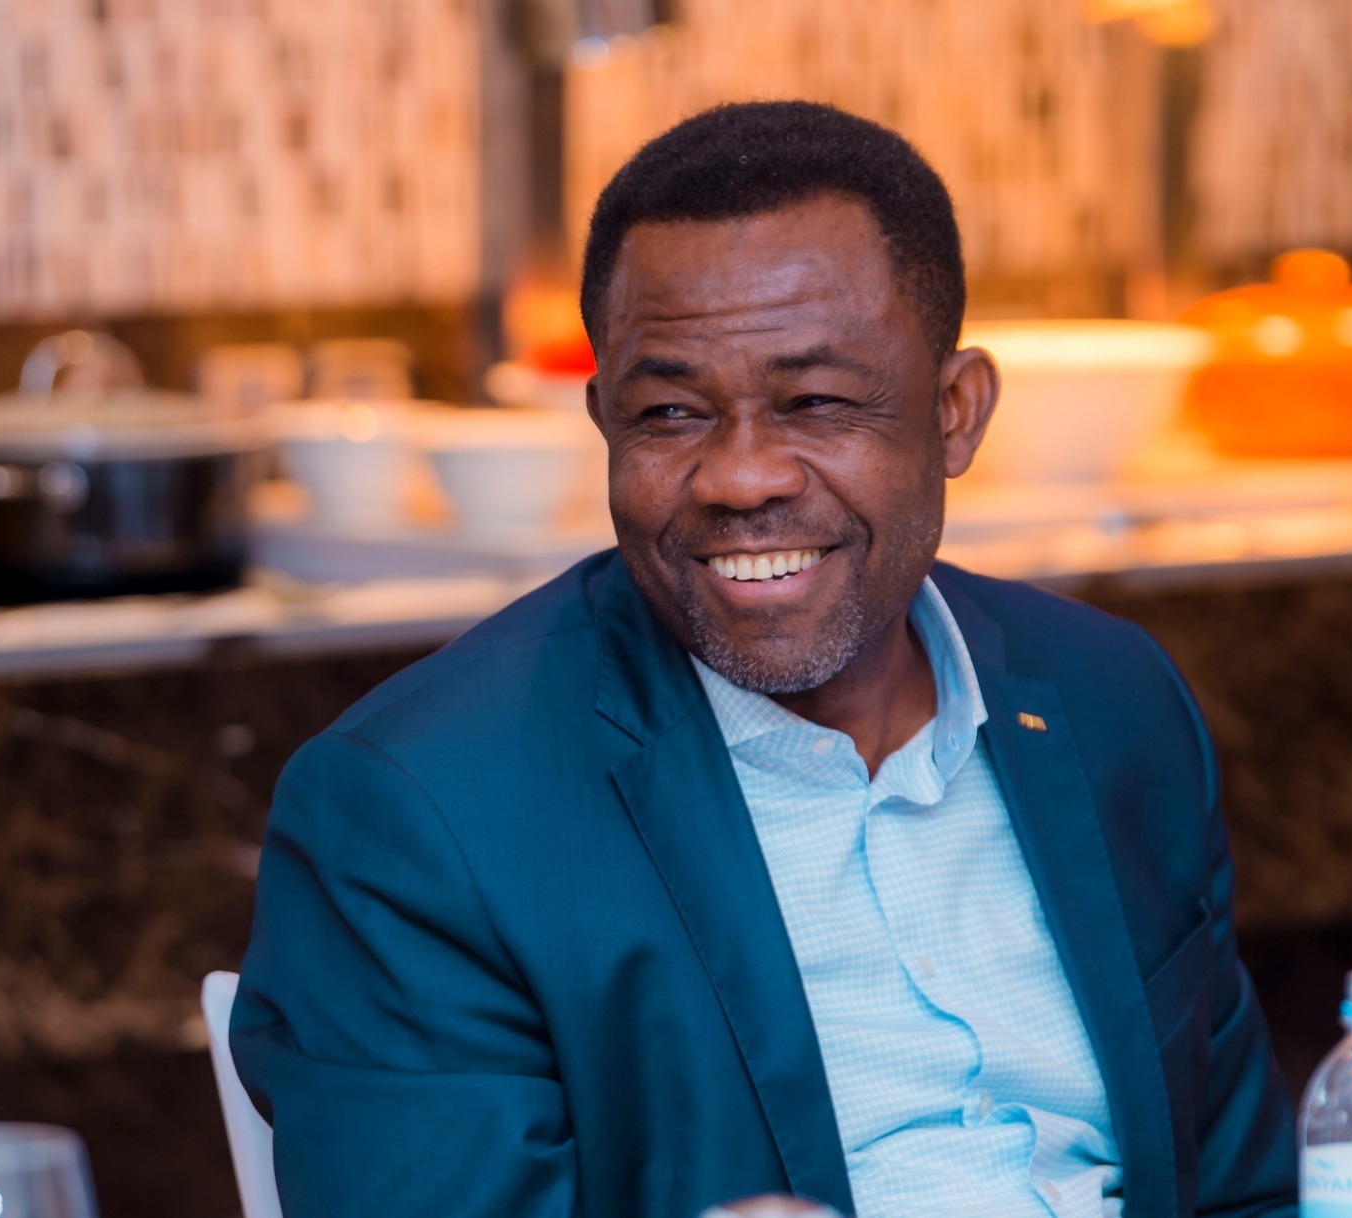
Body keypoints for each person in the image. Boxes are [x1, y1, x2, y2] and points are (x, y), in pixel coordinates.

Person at [231, 101, 1297, 1218]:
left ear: (954, 412)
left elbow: (1244, 1193)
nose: (741, 478)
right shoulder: (423, 812)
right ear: (603, 421)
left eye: (816, 402)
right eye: (670, 412)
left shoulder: (1108, 697)